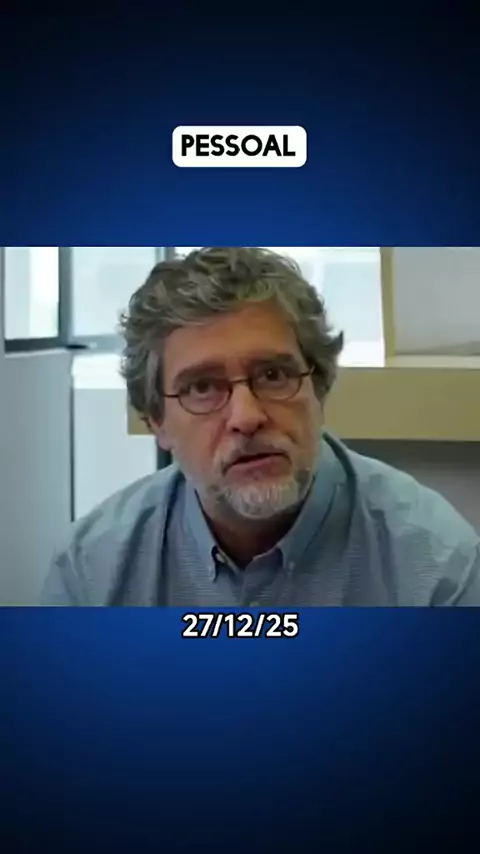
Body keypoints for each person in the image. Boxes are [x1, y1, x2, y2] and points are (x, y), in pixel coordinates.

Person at [41, 247, 480, 607]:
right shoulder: (91, 572)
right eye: (202, 387)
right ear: (157, 421)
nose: (247, 416)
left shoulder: (435, 567)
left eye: (273, 375)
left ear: (319, 388)